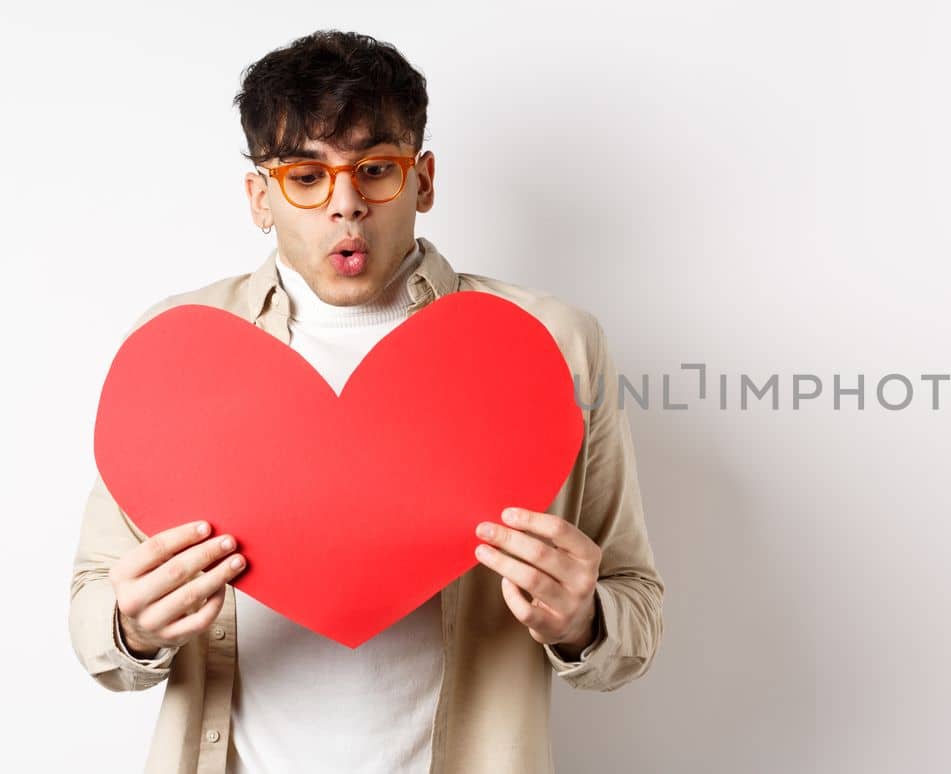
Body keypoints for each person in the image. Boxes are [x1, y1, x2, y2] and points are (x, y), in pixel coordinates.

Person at [66, 29, 665, 774]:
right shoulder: (178, 352)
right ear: (259, 197)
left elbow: (633, 605)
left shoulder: (551, 347)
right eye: (306, 178)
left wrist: (583, 622)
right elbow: (94, 611)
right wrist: (133, 626)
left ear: (425, 180)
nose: (346, 207)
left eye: (376, 170)